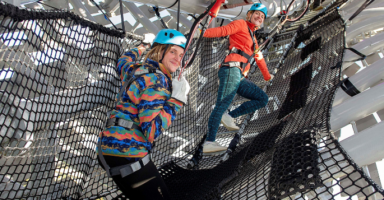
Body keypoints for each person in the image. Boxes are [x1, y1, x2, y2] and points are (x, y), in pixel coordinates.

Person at [97, 29, 190, 200]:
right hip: (129, 151)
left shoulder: (134, 69)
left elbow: (123, 61)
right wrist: (177, 100)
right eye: (173, 51)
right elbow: (152, 131)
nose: (178, 58)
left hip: (108, 149)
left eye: (181, 54)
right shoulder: (159, 81)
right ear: (160, 51)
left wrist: (142, 46)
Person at [202, 3, 273, 153]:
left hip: (239, 75)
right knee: (222, 103)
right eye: (257, 14)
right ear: (249, 14)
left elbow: (259, 59)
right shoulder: (240, 24)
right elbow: (223, 31)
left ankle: (229, 116)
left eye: (262, 16)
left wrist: (267, 77)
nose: (259, 17)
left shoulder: (254, 39)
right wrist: (204, 33)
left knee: (262, 99)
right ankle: (209, 141)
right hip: (231, 69)